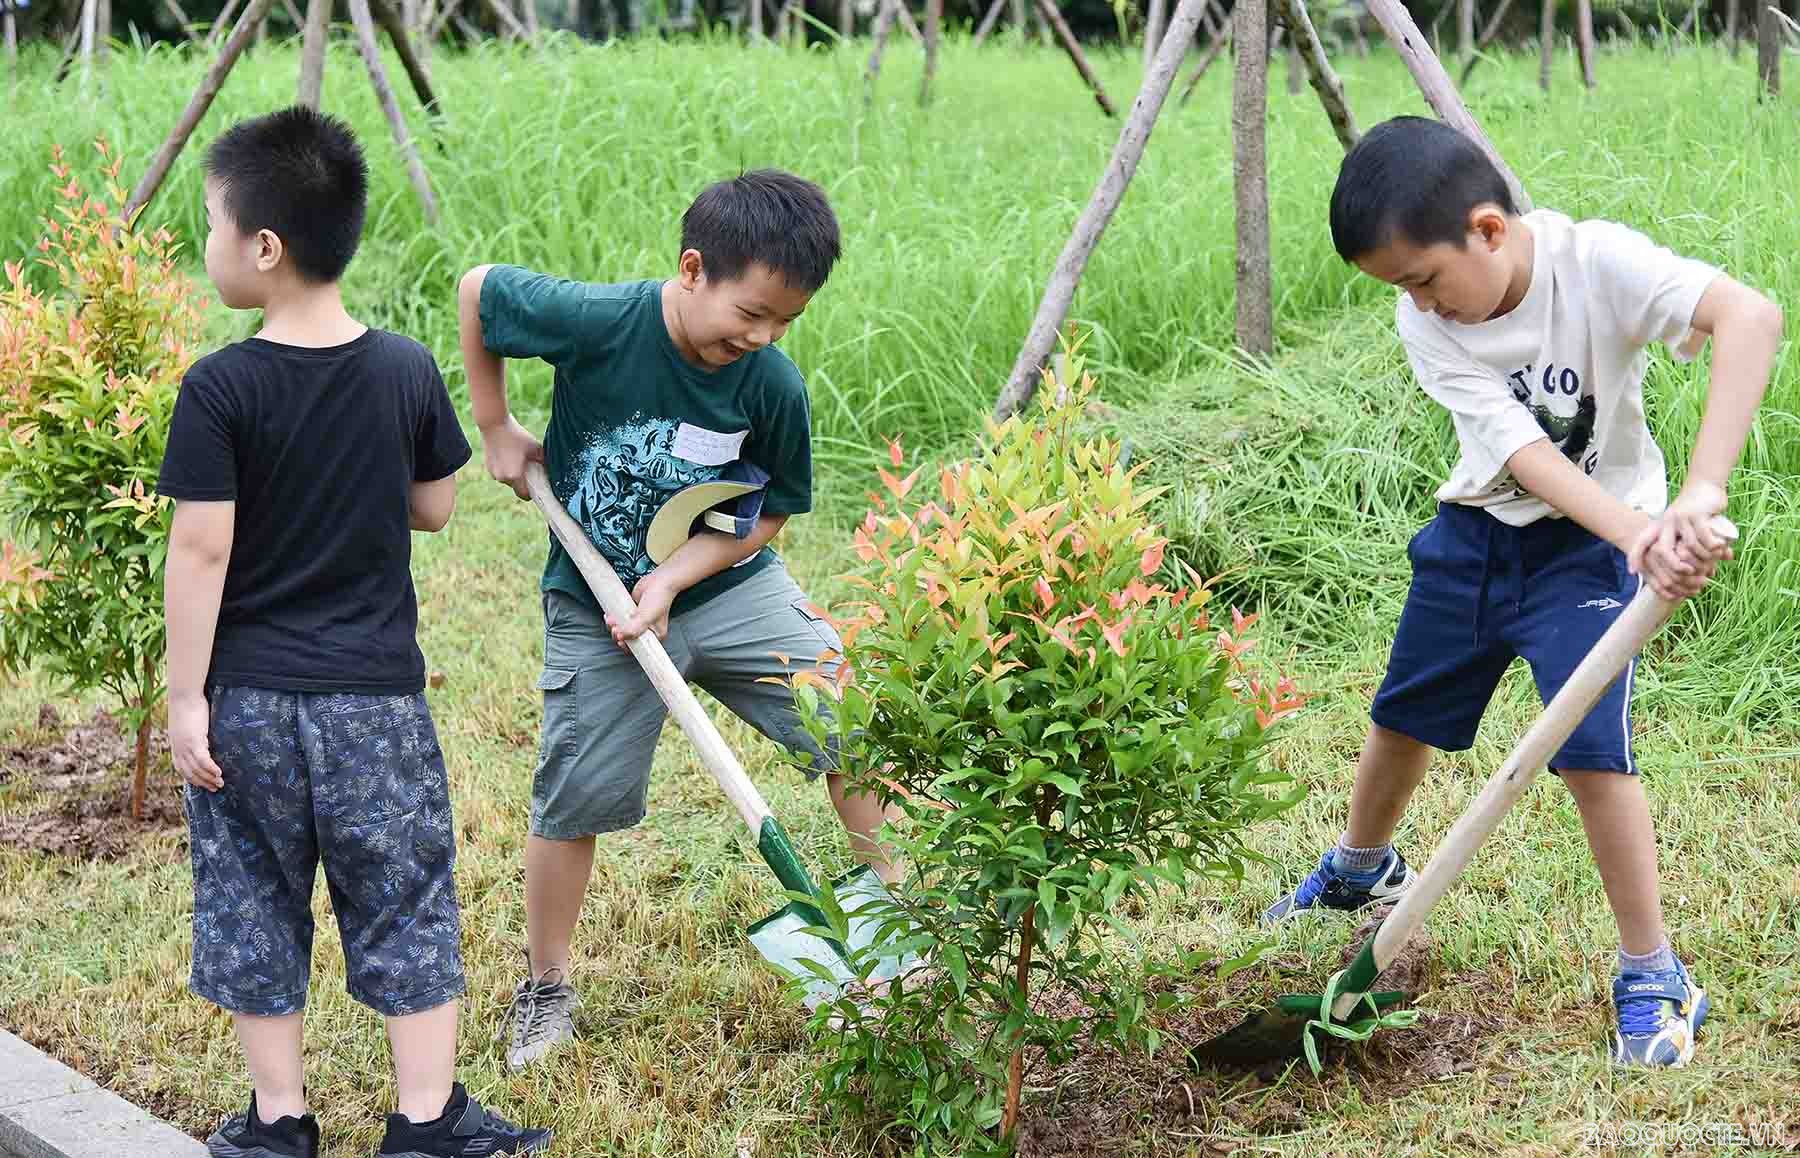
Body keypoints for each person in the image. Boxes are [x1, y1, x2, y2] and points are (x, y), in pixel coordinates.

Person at [1264, 116, 1782, 1068]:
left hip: (1584, 560)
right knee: (1404, 713)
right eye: (1400, 288)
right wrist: (1640, 534)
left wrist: (1699, 493)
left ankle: (1654, 970)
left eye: (1424, 278)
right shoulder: (1426, 323)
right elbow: (1522, 452)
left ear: (1489, 230)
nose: (1419, 302)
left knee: (1591, 752)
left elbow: (1748, 316)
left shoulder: (1598, 263)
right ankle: (1361, 866)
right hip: (1479, 533)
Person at [159, 106, 550, 1157]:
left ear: (264, 247)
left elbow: (200, 552)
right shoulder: (404, 368)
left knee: (253, 898)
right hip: (375, 703)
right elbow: (435, 507)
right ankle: (425, 1121)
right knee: (405, 897)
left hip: (248, 706)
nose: (207, 244)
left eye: (212, 224)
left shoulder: (219, 388)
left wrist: (186, 698)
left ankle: (278, 1123)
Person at [459, 169, 900, 1071]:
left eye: (786, 321)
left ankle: (890, 913)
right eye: (752, 312)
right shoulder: (597, 323)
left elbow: (768, 514)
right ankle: (547, 985)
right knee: (573, 794)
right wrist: (495, 423)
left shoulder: (769, 384)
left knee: (848, 719)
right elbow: (478, 290)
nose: (763, 336)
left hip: (732, 590)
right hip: (596, 605)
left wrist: (671, 578)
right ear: (693, 270)